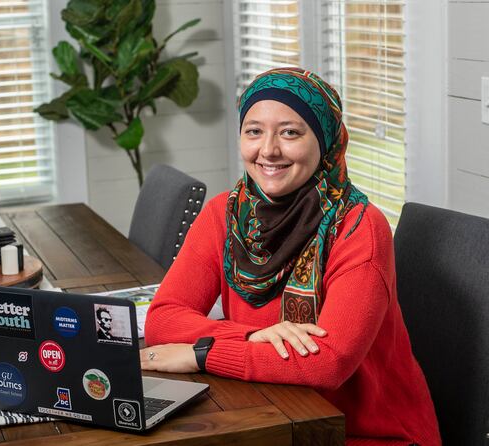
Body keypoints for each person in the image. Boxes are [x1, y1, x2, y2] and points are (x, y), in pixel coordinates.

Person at [141, 67, 441, 445]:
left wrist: (201, 355)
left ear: (327, 140)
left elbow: (326, 362)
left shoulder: (359, 228)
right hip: (272, 415)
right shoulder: (224, 214)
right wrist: (253, 335)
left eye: (290, 132)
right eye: (253, 131)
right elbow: (163, 320)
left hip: (367, 432)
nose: (268, 150)